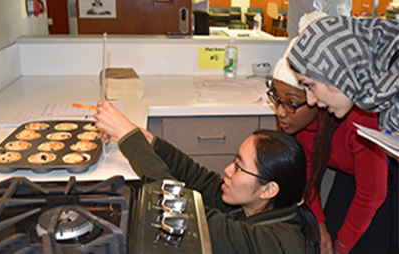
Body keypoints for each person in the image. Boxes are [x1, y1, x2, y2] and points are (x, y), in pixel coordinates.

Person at [94, 100, 320, 254]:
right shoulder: (259, 206)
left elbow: (182, 213)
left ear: (268, 189)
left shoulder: (272, 244)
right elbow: (198, 178)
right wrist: (146, 138)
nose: (228, 170)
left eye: (239, 168)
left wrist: (129, 138)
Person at [286, 14, 399, 253]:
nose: (310, 99)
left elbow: (372, 194)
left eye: (310, 85)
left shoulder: (372, 112)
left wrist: (341, 247)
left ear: (337, 72)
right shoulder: (381, 100)